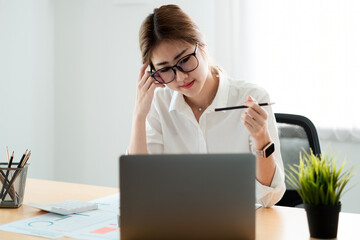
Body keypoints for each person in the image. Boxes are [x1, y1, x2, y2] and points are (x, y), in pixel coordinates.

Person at [128, 4, 285, 207]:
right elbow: (140, 188)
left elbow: (269, 198)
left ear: (201, 45)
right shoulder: (159, 104)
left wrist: (261, 138)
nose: (181, 77)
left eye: (184, 60)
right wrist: (139, 116)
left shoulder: (253, 97)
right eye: (165, 70)